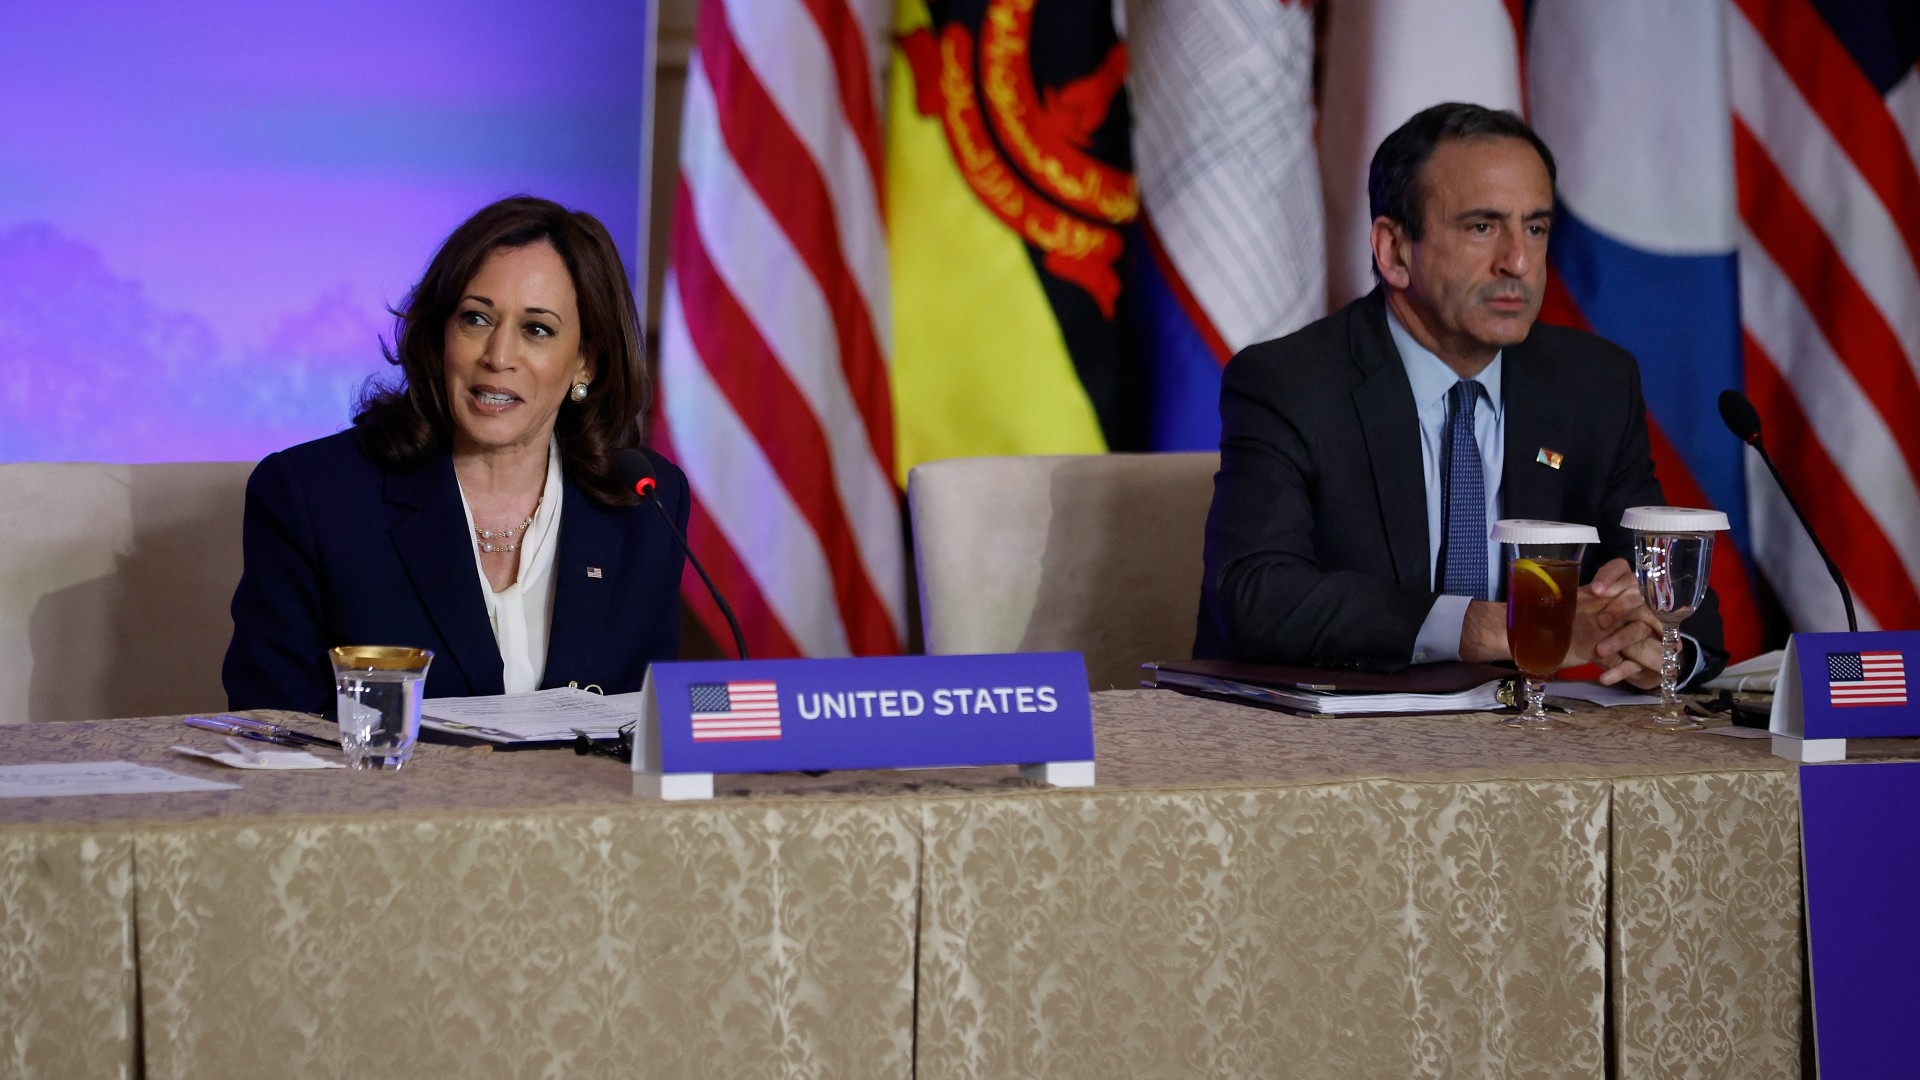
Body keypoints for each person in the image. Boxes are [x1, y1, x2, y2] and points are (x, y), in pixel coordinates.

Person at [1195, 103, 1726, 687]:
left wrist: (1656, 642)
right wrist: (1482, 628)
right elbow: (1257, 595)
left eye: (1536, 228)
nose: (1518, 262)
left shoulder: (1593, 385)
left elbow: (1680, 599)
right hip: (1340, 748)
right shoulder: (1290, 382)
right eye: (1482, 227)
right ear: (1395, 251)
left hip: (1531, 751)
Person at [223, 196, 688, 712]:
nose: (498, 356)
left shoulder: (644, 503)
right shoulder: (314, 497)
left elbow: (651, 725)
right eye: (476, 319)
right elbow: (271, 723)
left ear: (586, 363)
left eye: (537, 329)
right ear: (441, 334)